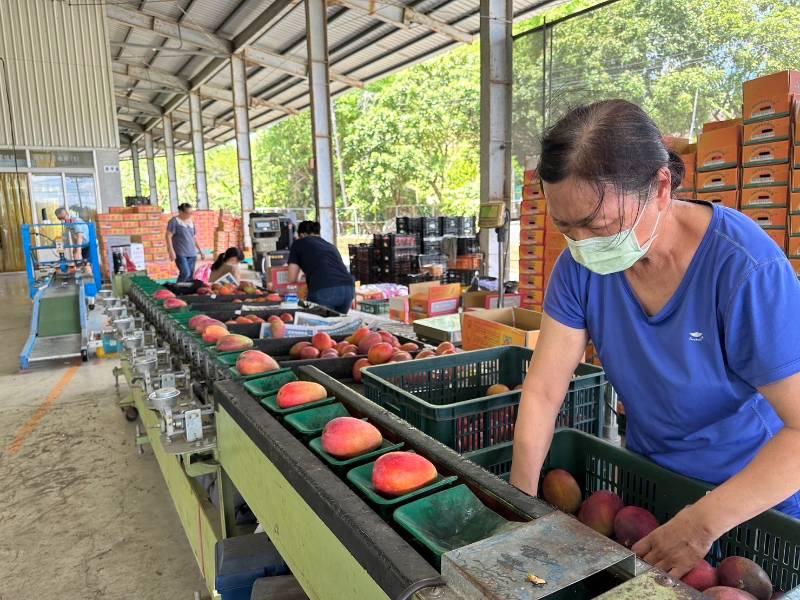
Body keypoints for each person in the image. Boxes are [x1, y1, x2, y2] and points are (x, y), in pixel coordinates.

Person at [510, 100, 800, 578]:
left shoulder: (744, 270)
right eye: (566, 228)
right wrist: (519, 502)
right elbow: (542, 392)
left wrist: (701, 524)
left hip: (751, 503)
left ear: (661, 187)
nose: (582, 243)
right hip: (650, 487)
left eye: (597, 226)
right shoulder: (579, 268)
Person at [287, 221, 354, 314]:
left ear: (301, 234)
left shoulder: (298, 243)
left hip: (325, 290)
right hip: (348, 289)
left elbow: (291, 278)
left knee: (321, 326)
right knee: (338, 324)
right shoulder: (330, 246)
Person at [166, 203, 205, 283]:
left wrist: (201, 251)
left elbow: (193, 238)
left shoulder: (191, 222)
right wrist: (171, 251)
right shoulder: (174, 221)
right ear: (180, 212)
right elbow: (168, 236)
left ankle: (186, 292)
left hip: (192, 253)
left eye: (191, 213)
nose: (190, 215)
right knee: (185, 273)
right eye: (188, 213)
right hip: (180, 252)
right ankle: (177, 290)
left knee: (190, 276)